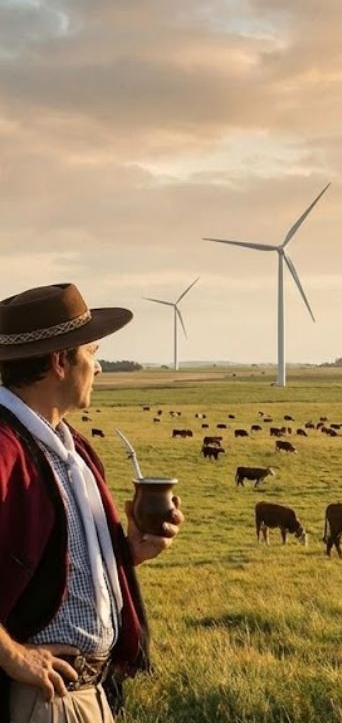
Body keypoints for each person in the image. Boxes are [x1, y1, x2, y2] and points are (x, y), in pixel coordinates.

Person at [0, 283, 184, 722]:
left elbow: (48, 559)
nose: (98, 368)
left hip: (91, 693)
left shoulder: (74, 450)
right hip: (41, 700)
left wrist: (127, 553)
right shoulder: (4, 448)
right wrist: (12, 656)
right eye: (92, 352)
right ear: (60, 361)